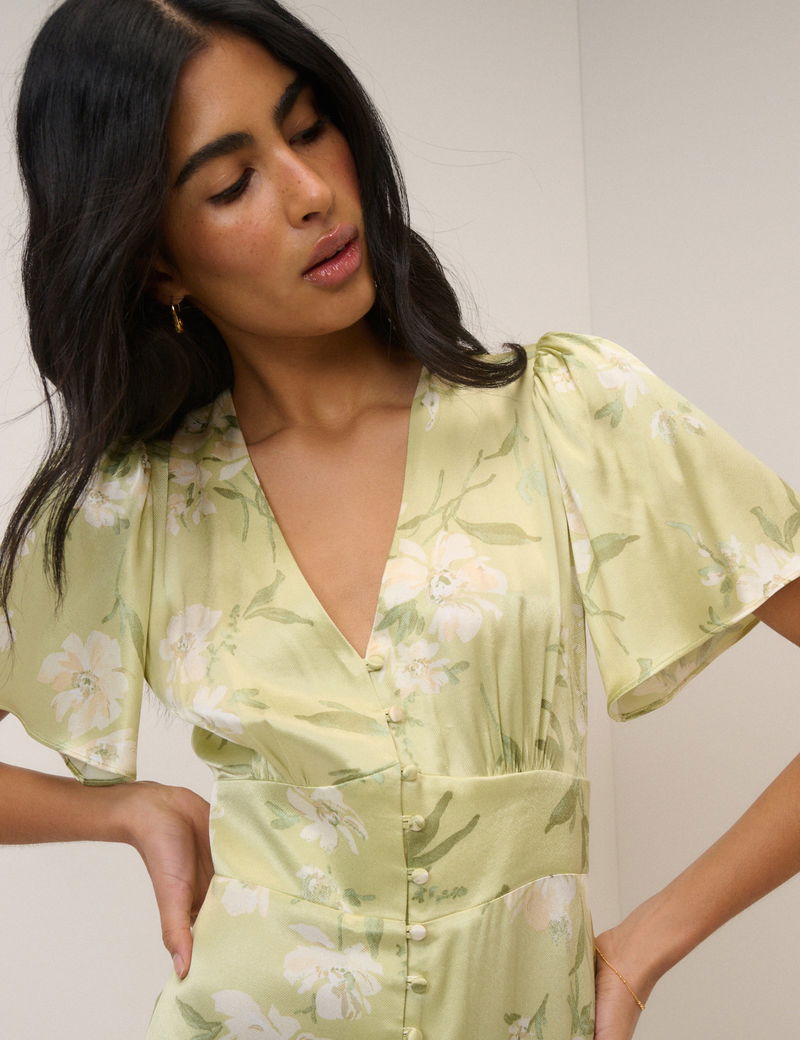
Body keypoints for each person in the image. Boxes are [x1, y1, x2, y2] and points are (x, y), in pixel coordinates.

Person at [0, 1, 798, 1038]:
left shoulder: (567, 412)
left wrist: (646, 944)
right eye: (232, 182)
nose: (312, 193)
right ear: (158, 260)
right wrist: (124, 808)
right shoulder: (136, 504)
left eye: (308, 128)